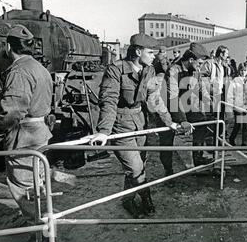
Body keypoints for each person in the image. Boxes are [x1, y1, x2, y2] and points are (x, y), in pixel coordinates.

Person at [90, 33, 192, 219]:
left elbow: (154, 99)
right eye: (151, 52)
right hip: (120, 126)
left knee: (139, 166)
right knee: (136, 168)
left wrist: (170, 122)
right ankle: (146, 197)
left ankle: (127, 199)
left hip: (141, 123)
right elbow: (109, 101)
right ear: (138, 51)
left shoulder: (149, 70)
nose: (155, 56)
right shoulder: (115, 70)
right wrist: (104, 132)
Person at [0, 24, 53, 231]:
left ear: (9, 47)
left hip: (23, 135)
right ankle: (44, 222)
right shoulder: (40, 68)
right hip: (40, 131)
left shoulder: (19, 71)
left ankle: (39, 231)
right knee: (38, 180)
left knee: (22, 184)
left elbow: (13, 111)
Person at [158, 43, 211, 176]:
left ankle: (198, 159)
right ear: (191, 60)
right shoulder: (173, 71)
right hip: (169, 108)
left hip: (187, 107)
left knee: (202, 123)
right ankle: (168, 170)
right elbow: (172, 98)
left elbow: (200, 88)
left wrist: (207, 100)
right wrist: (182, 121)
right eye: (199, 63)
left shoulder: (195, 71)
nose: (201, 66)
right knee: (166, 141)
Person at [227, 62, 247, 146]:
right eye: (241, 70)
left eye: (245, 70)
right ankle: (232, 138)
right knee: (238, 124)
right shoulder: (235, 80)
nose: (243, 72)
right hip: (238, 105)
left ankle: (245, 142)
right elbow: (230, 93)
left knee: (246, 124)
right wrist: (231, 105)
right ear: (239, 71)